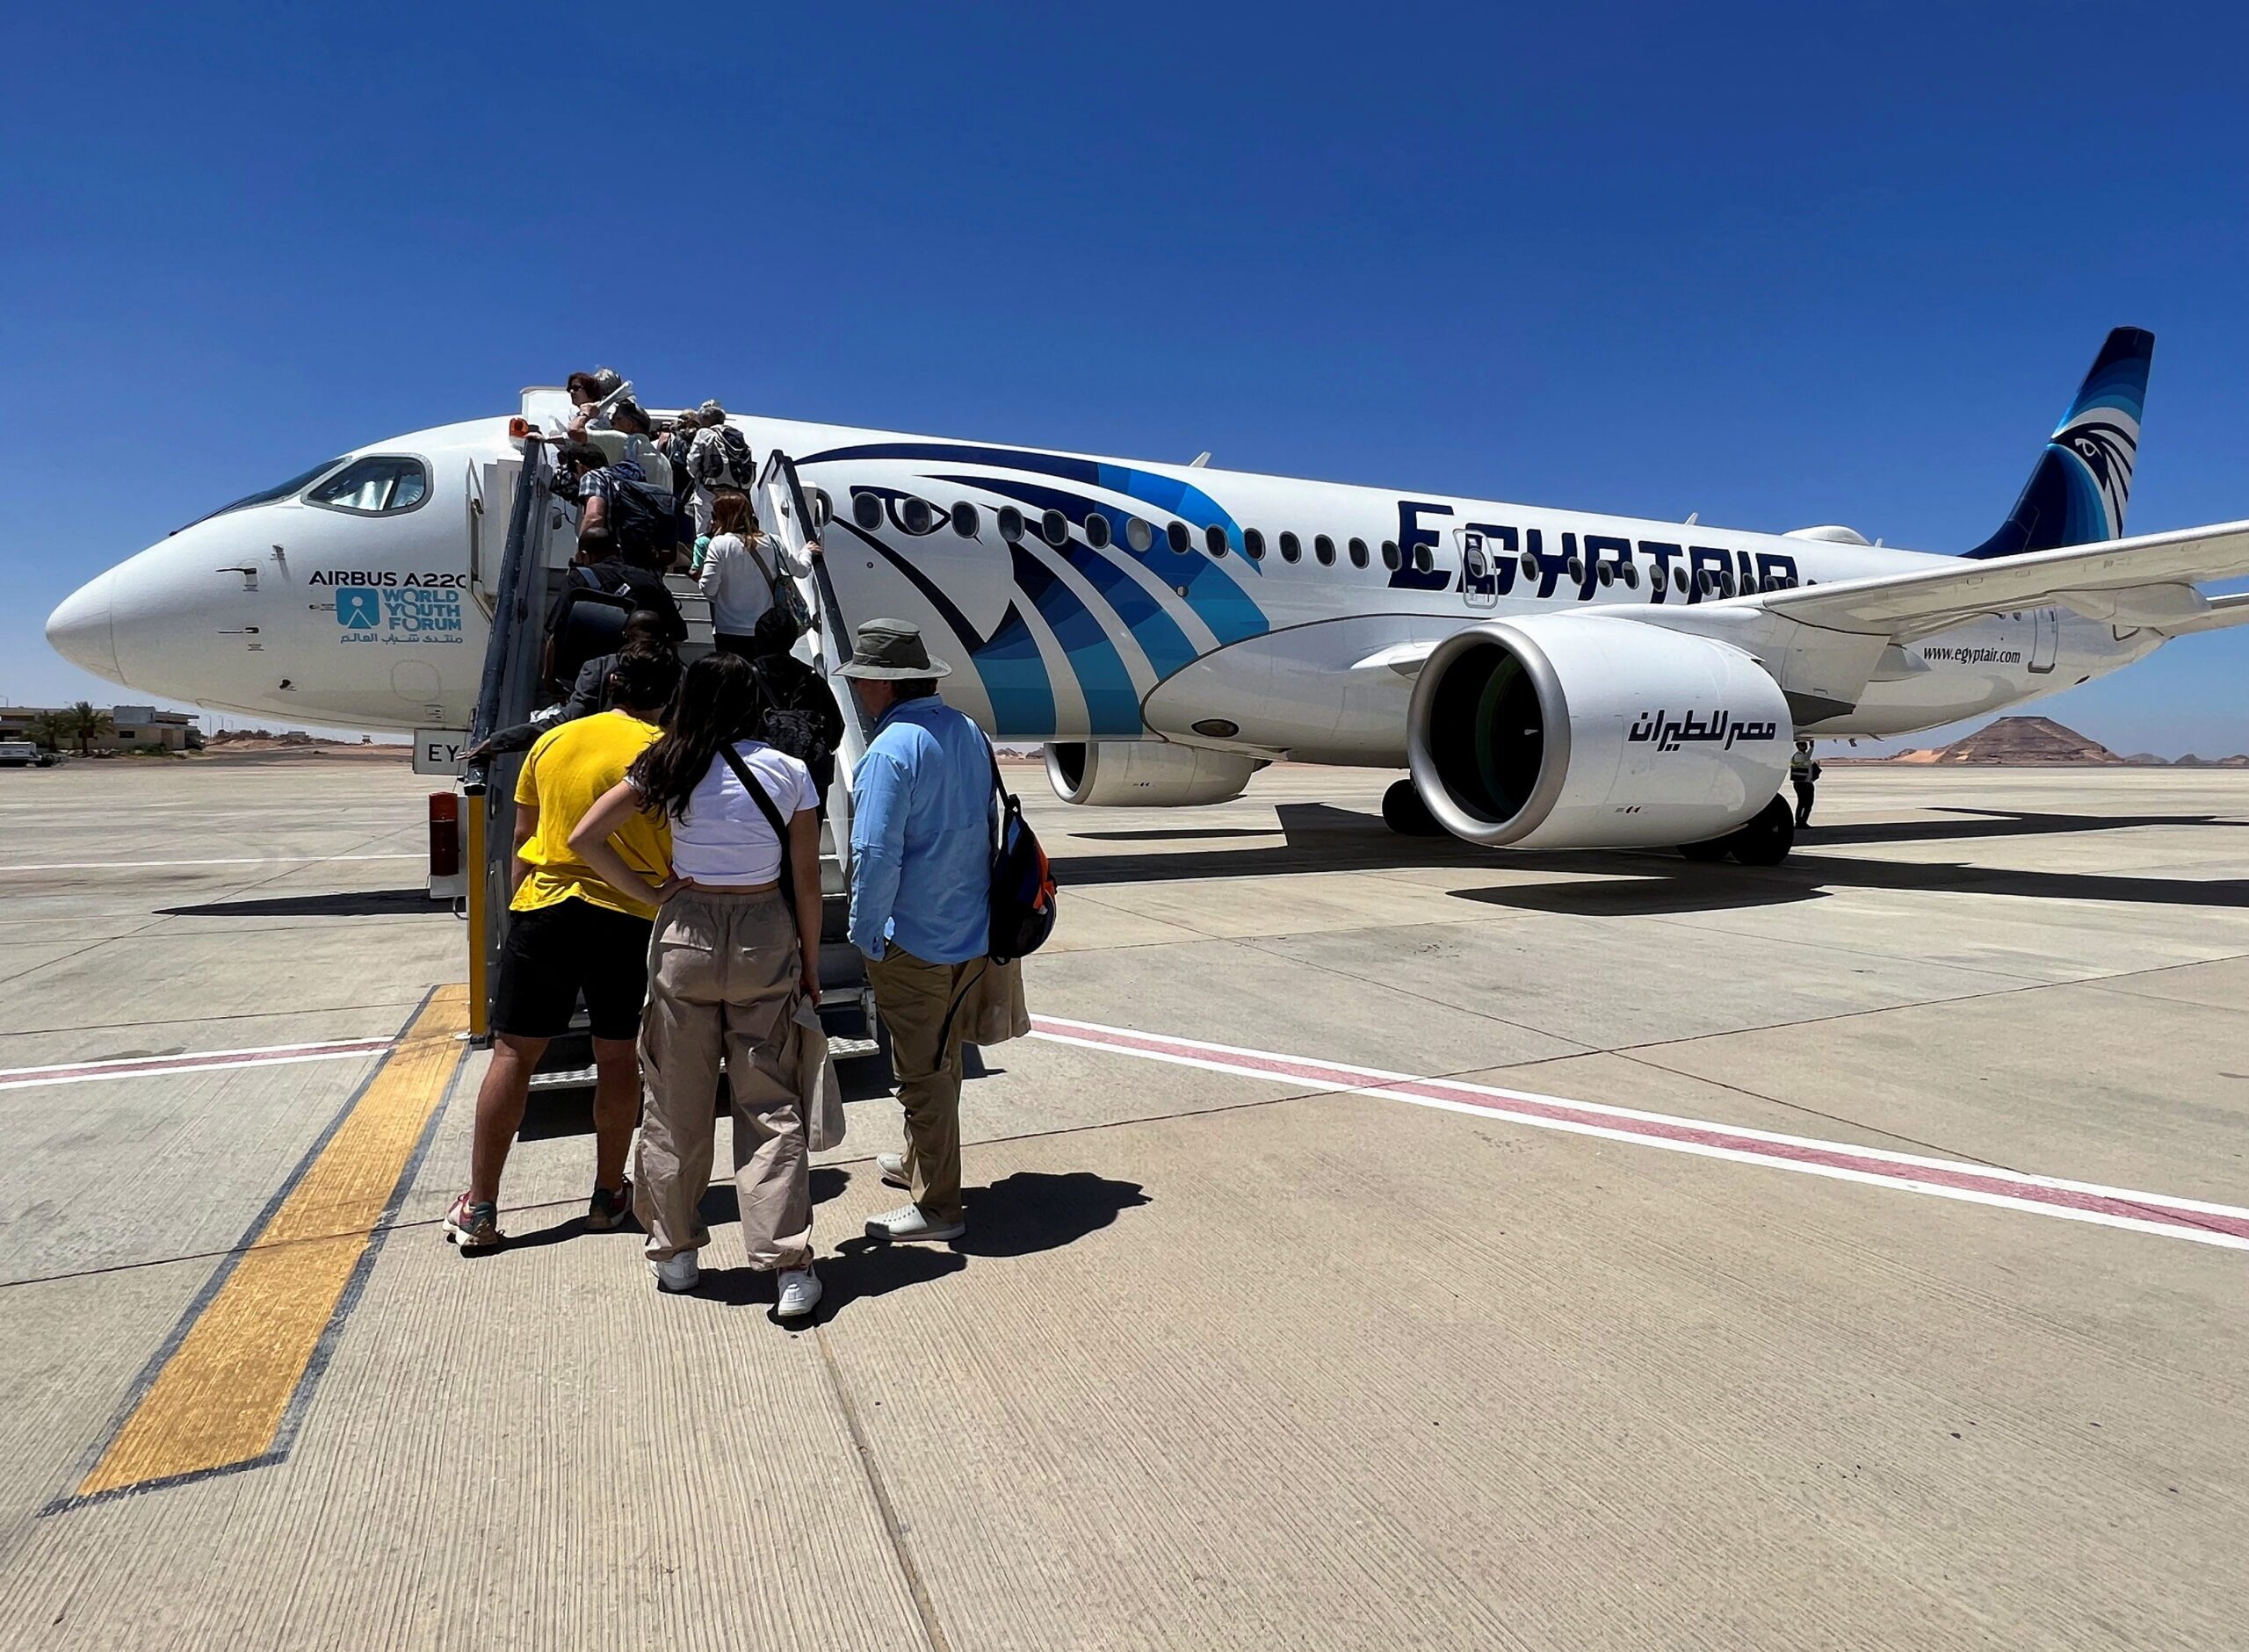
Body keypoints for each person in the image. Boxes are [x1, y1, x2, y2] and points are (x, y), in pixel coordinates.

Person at [569, 653, 828, 1316]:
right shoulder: (789, 772)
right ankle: (787, 1263)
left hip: (685, 931)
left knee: (676, 1100)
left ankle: (677, 1251)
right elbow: (805, 879)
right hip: (763, 930)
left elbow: (586, 835)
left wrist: (652, 890)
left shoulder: (671, 763)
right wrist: (811, 962)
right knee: (769, 1101)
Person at [444, 646, 684, 1252]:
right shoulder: (667, 752)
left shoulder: (553, 742)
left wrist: (524, 911)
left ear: (610, 685)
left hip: (545, 909)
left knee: (513, 1055)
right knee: (616, 1054)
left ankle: (481, 1207)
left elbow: (524, 838)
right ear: (668, 695)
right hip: (626, 917)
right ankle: (607, 1195)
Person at [839, 619, 995, 1244]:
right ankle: (919, 1164)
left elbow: (875, 853)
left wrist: (865, 932)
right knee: (942, 1059)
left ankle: (939, 1207)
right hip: (969, 929)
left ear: (882, 684)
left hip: (915, 937)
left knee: (920, 1073)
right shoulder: (969, 732)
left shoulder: (890, 750)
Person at [466, 611, 677, 763]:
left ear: (624, 636)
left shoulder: (599, 668)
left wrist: (499, 741)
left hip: (597, 762)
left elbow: (567, 720)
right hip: (657, 764)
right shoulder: (682, 674)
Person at [746, 605, 846, 800]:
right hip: (808, 780)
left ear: (758, 637)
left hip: (759, 780)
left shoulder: (744, 678)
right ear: (792, 639)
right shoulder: (813, 679)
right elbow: (836, 730)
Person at [699, 489, 814, 651]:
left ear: (725, 517)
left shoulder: (719, 544)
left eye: (714, 516)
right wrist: (806, 552)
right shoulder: (773, 541)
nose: (712, 522)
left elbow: (708, 589)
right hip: (767, 629)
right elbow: (801, 571)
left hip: (729, 629)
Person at [1791, 739, 1820, 826]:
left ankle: (1803, 821)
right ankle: (1800, 822)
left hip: (1807, 783)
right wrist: (1812, 748)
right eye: (1804, 745)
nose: (1806, 746)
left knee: (1808, 804)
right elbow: (1806, 759)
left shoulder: (1804, 756)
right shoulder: (1798, 756)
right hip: (1801, 784)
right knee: (1802, 803)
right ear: (1799, 746)